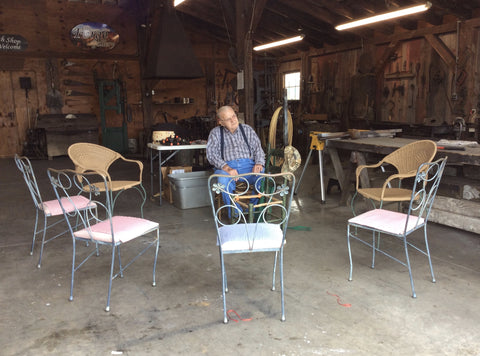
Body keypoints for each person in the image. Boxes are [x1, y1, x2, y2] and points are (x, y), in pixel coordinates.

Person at [206, 106, 265, 208]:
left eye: (234, 116)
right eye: (229, 119)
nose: (233, 120)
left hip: (248, 167)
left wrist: (258, 163)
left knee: (262, 174)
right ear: (221, 122)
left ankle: (252, 208)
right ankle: (235, 213)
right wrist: (226, 168)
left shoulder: (247, 129)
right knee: (222, 180)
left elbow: (258, 148)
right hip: (227, 168)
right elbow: (211, 154)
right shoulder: (215, 133)